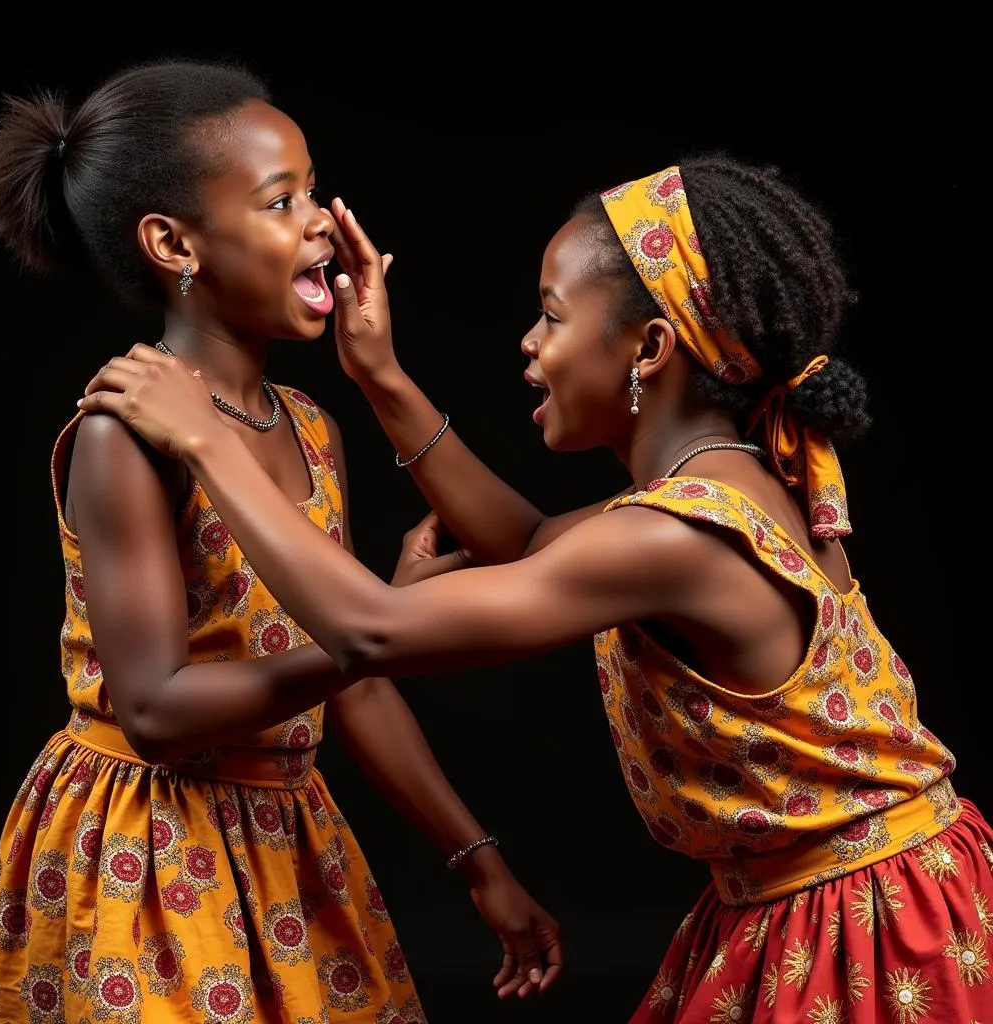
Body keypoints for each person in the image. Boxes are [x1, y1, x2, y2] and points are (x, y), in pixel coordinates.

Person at [79, 153, 993, 1022]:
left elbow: (375, 632)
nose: (528, 341)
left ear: (649, 348)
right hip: (850, 892)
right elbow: (525, 543)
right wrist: (382, 377)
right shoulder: (729, 482)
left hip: (866, 923)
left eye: (552, 316)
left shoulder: (673, 536)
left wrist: (206, 440)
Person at [0, 57, 567, 1023]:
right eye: (281, 200)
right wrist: (381, 625)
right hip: (149, 850)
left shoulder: (308, 426)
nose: (324, 220)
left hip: (289, 838)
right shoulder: (130, 428)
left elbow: (355, 670)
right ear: (173, 243)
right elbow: (158, 710)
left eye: (315, 190)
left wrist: (478, 861)